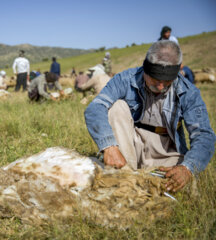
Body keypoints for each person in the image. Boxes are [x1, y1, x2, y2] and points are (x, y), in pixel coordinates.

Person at [85, 40, 215, 193]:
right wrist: (109, 146)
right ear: (145, 68)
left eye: (167, 81)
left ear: (178, 71)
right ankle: (124, 171)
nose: (160, 87)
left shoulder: (189, 92)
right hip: (131, 144)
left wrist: (187, 168)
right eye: (155, 79)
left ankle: (133, 176)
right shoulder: (125, 79)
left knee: (183, 189)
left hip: (166, 150)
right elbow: (95, 107)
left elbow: (204, 135)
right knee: (116, 107)